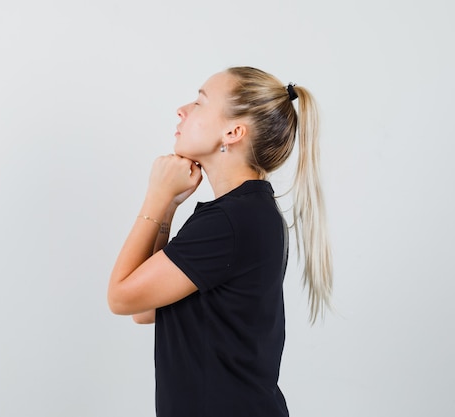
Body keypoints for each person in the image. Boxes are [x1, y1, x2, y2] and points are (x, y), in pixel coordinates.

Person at [107, 66, 332, 417]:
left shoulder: (230, 222)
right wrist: (168, 206)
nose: (182, 110)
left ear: (233, 131)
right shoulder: (247, 212)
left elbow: (121, 298)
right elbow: (145, 309)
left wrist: (155, 195)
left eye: (199, 102)